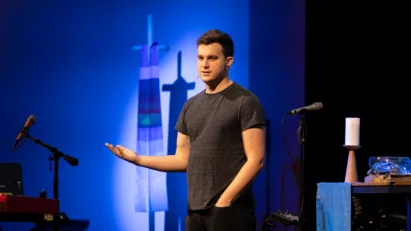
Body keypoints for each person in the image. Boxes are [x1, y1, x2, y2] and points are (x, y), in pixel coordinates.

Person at [106, 29, 266, 231]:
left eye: (212, 58)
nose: (204, 64)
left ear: (228, 61)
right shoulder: (190, 105)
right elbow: (182, 159)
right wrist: (138, 159)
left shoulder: (245, 101)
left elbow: (256, 160)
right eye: (200, 58)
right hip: (195, 212)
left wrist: (224, 202)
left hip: (231, 211)